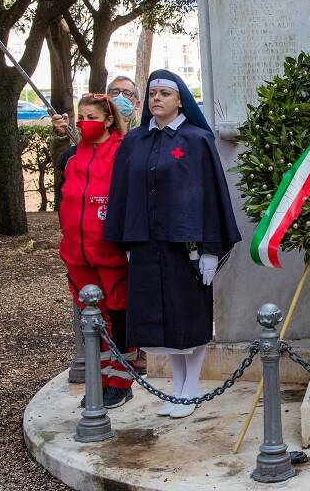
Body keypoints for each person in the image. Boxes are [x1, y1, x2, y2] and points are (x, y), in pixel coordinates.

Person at [104, 69, 241, 418]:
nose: (157, 99)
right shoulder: (135, 141)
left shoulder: (196, 141)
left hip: (186, 247)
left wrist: (211, 249)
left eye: (165, 93)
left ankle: (190, 387)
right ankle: (177, 388)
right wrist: (128, 240)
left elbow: (212, 196)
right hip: (147, 245)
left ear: (180, 98)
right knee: (161, 323)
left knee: (186, 319)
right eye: (152, 94)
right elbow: (122, 192)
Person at [58, 93, 135, 408]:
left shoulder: (121, 153)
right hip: (77, 255)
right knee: (94, 319)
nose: (84, 123)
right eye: (81, 117)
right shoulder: (72, 156)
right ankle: (100, 379)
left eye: (91, 117)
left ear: (107, 119)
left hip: (110, 255)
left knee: (118, 319)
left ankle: (121, 380)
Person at [51, 76, 142, 210]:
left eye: (127, 93)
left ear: (137, 103)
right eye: (115, 92)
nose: (120, 97)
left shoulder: (145, 134)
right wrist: (62, 136)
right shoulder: (90, 130)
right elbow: (68, 161)